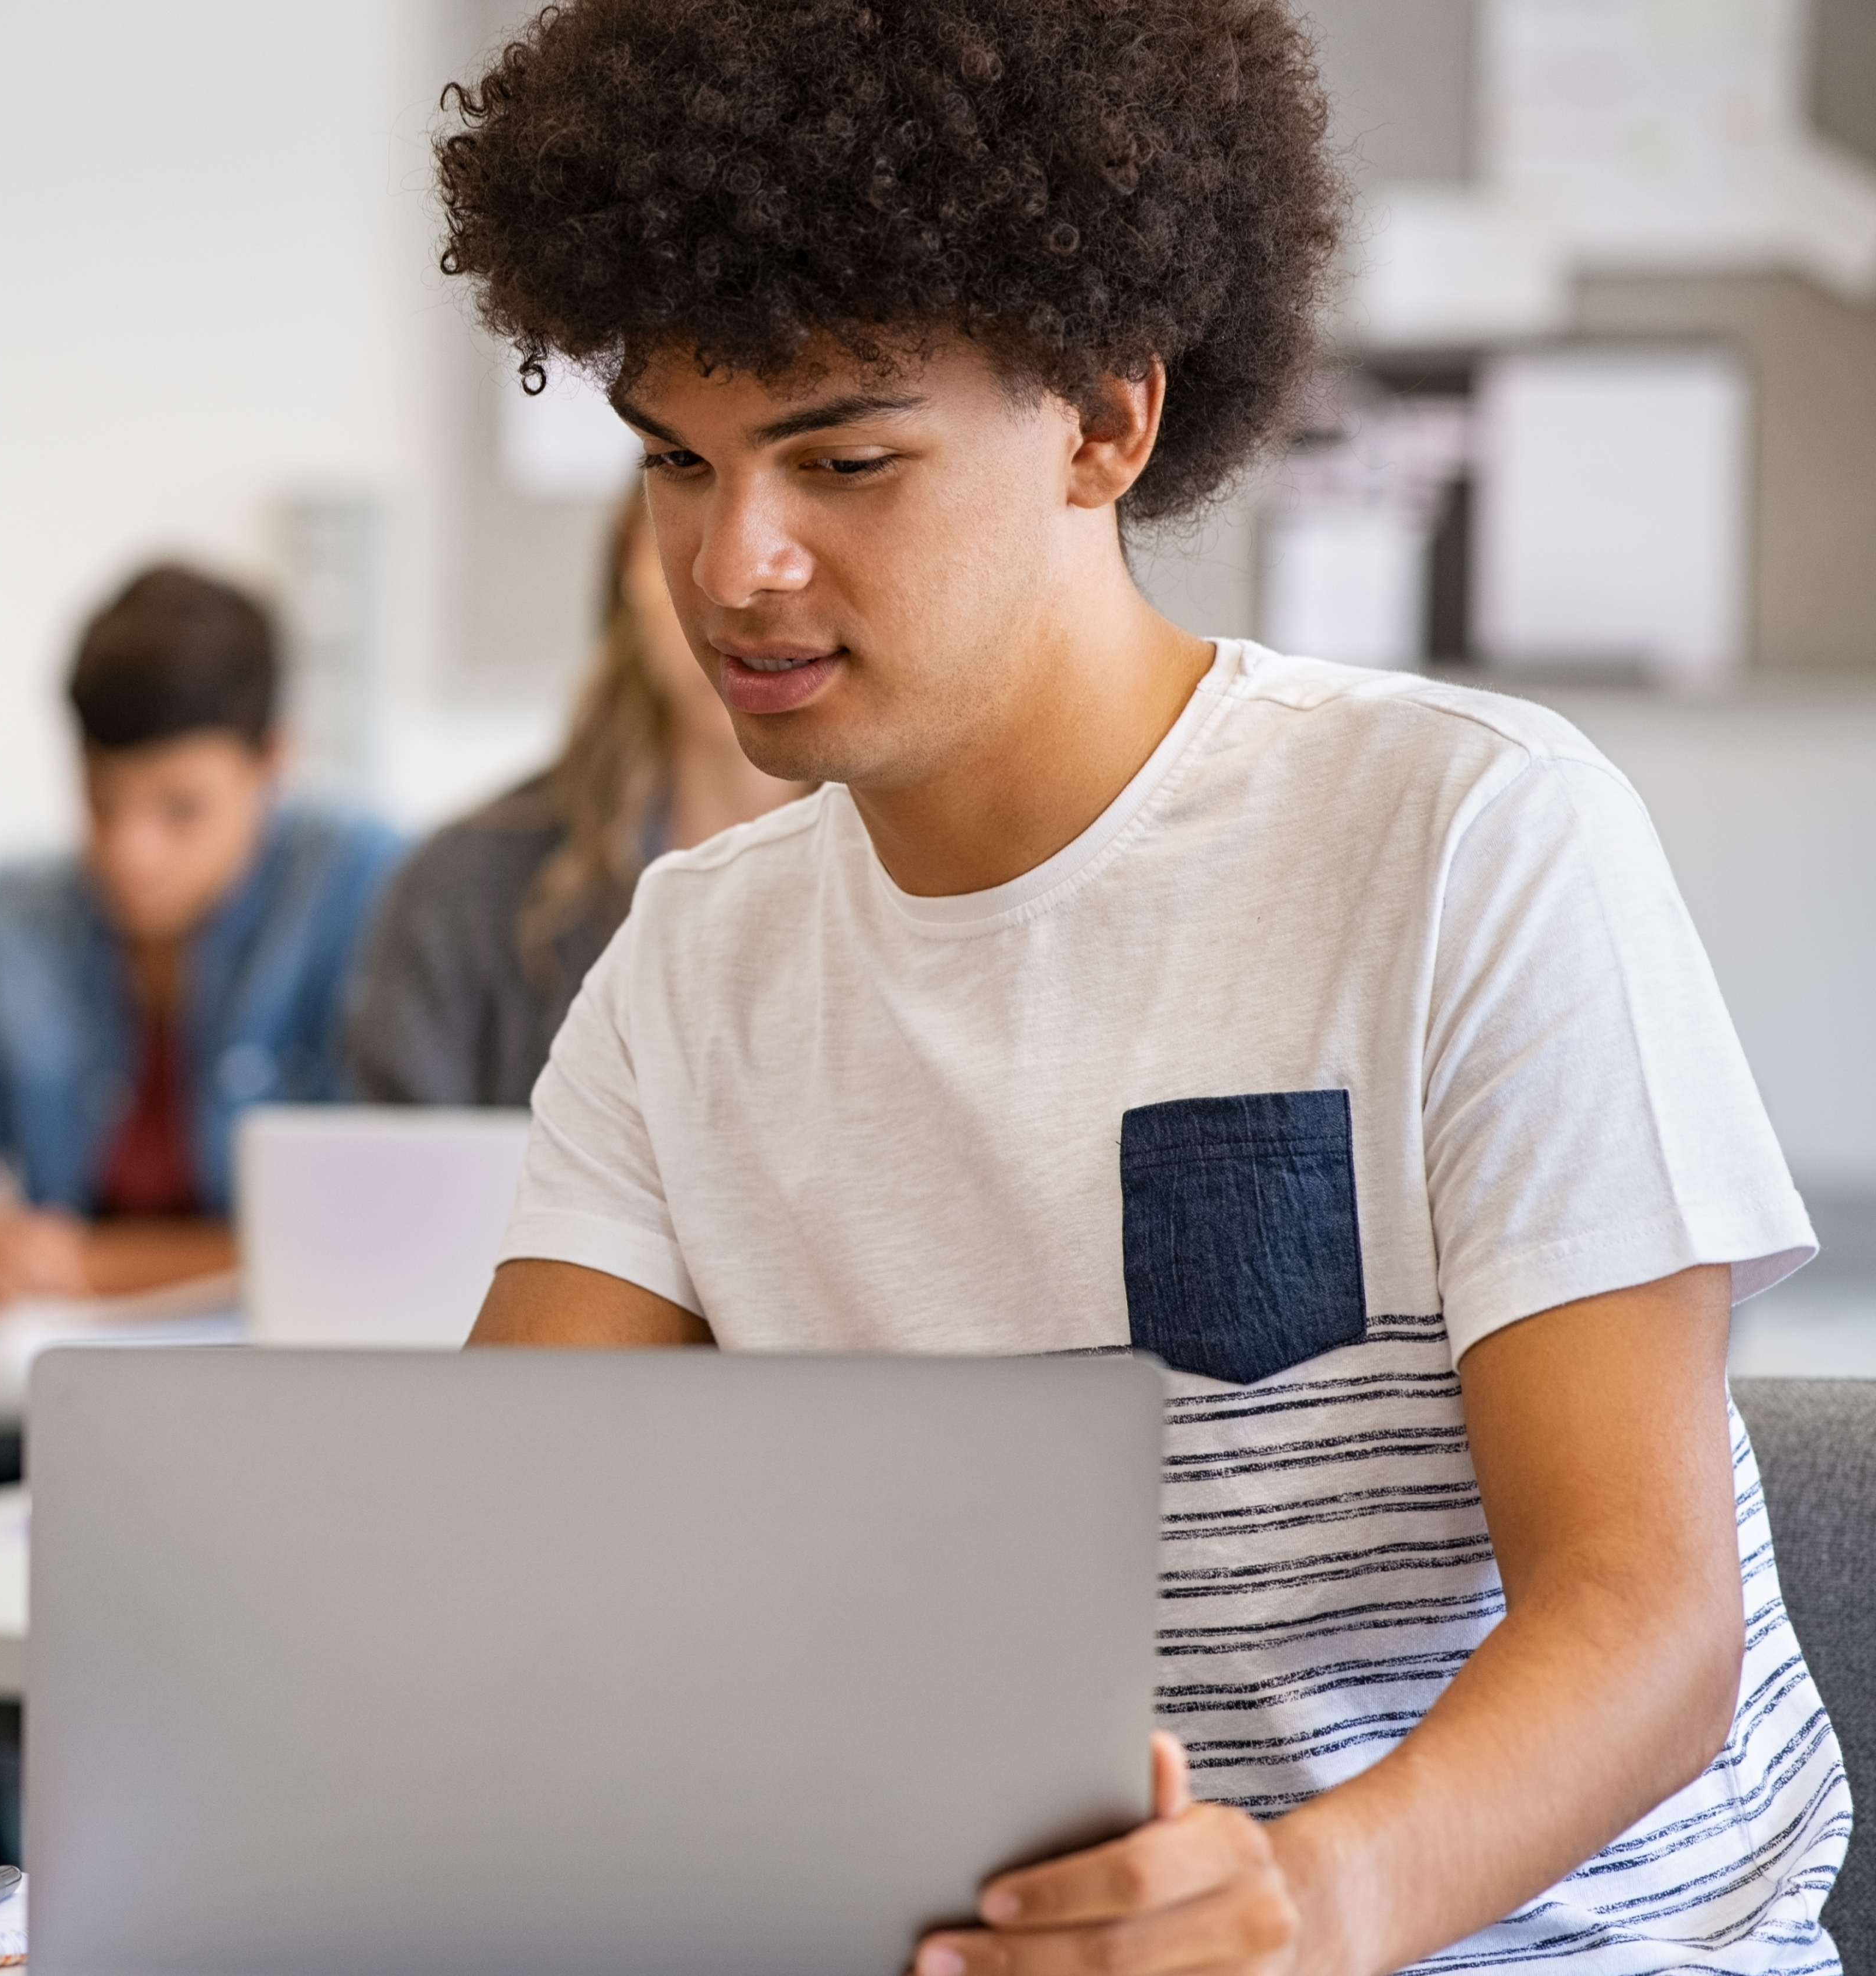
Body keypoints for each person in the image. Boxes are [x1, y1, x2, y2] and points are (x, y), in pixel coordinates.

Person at [439, 4, 1843, 1974]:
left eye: (843, 458)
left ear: (1106, 418)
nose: (735, 559)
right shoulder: (697, 959)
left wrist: (1312, 1899)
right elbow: (500, 1567)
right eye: (677, 461)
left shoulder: (1468, 834)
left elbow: (1647, 1624)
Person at [0, 564, 400, 1312]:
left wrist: (87, 1267)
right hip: (57, 1375)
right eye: (100, 799)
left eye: (180, 810)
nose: (129, 853)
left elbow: (379, 1238)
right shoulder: (12, 919)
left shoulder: (370, 891)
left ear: (273, 763)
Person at [344, 502, 809, 1104]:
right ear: (632, 560)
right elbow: (402, 1178)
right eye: (694, 532)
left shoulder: (939, 882)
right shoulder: (460, 886)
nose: (742, 596)